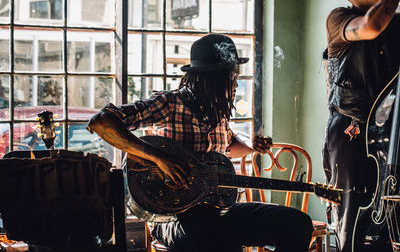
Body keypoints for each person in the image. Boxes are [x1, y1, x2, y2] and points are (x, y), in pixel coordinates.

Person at [87, 34, 313, 252]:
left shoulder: (219, 112)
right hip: (171, 218)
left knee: (297, 224)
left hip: (216, 210)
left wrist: (252, 146)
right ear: (210, 78)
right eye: (230, 76)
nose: (235, 83)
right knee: (223, 237)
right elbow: (102, 122)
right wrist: (160, 159)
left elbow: (228, 146)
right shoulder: (169, 103)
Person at [323, 0, 400, 251]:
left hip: (391, 139)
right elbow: (371, 27)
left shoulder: (397, 24)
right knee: (353, 220)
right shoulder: (339, 19)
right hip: (351, 135)